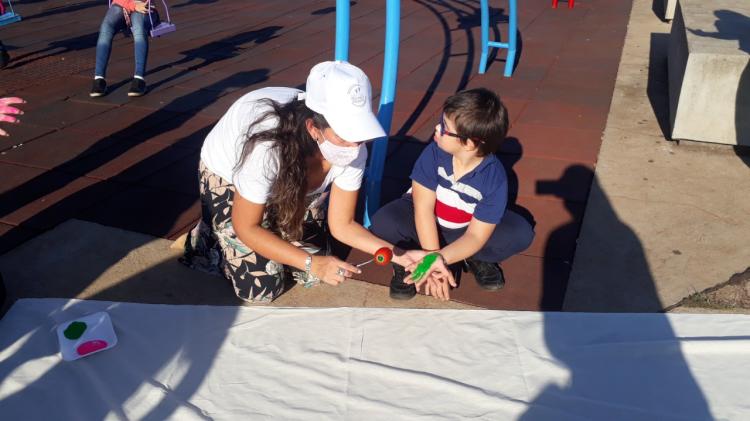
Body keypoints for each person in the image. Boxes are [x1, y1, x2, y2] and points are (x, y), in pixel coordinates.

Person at [181, 61, 453, 303]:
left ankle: (270, 220)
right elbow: (247, 226)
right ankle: (207, 236)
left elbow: (343, 224)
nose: (354, 145)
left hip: (288, 178)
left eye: (359, 133)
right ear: (314, 128)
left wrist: (399, 255)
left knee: (315, 272)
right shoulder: (266, 148)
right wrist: (312, 262)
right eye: (345, 134)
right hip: (229, 174)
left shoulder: (354, 148)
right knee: (261, 289)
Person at [370, 88, 535, 301]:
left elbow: (475, 235)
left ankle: (474, 257)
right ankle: (406, 263)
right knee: (383, 222)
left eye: (445, 128)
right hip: (423, 220)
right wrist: (432, 259)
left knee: (520, 233)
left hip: (464, 229)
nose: (437, 128)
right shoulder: (434, 153)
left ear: (469, 143)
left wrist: (439, 258)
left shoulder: (494, 179)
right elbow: (423, 210)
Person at [90, 0, 154, 97]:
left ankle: (139, 78)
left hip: (142, 4)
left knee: (139, 28)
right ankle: (99, 78)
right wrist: (131, 5)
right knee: (106, 27)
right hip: (121, 4)